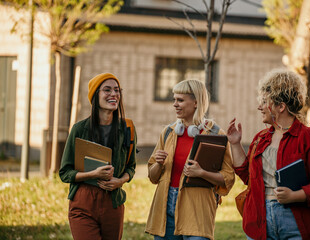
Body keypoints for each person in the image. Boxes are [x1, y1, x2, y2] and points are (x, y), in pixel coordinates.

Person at [227, 69, 310, 240]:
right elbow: (249, 177)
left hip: (300, 222)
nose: (259, 106)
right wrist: (235, 143)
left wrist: (295, 196)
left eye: (264, 101)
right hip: (261, 219)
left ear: (281, 106)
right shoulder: (261, 138)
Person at [145, 79, 235, 240]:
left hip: (198, 211)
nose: (175, 104)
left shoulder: (216, 135)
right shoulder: (168, 132)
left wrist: (201, 173)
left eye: (180, 100)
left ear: (196, 102)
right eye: (174, 100)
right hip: (165, 211)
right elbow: (152, 177)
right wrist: (158, 164)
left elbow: (228, 178)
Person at [59, 73, 136, 240]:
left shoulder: (127, 128)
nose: (114, 94)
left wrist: (120, 181)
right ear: (95, 95)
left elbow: (131, 167)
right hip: (83, 202)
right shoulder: (79, 129)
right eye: (107, 90)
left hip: (113, 202)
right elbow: (65, 173)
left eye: (117, 90)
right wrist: (93, 175)